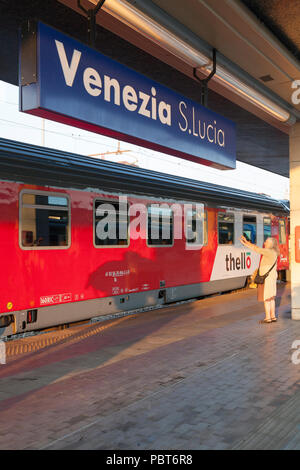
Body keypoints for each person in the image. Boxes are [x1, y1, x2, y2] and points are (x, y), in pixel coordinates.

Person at [240, 235, 280, 324]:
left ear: (270, 244)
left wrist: (245, 243)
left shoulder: (268, 251)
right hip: (272, 277)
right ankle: (273, 316)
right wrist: (246, 242)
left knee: (266, 298)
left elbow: (256, 248)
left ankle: (268, 318)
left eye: (266, 242)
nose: (264, 243)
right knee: (271, 298)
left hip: (267, 278)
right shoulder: (274, 252)